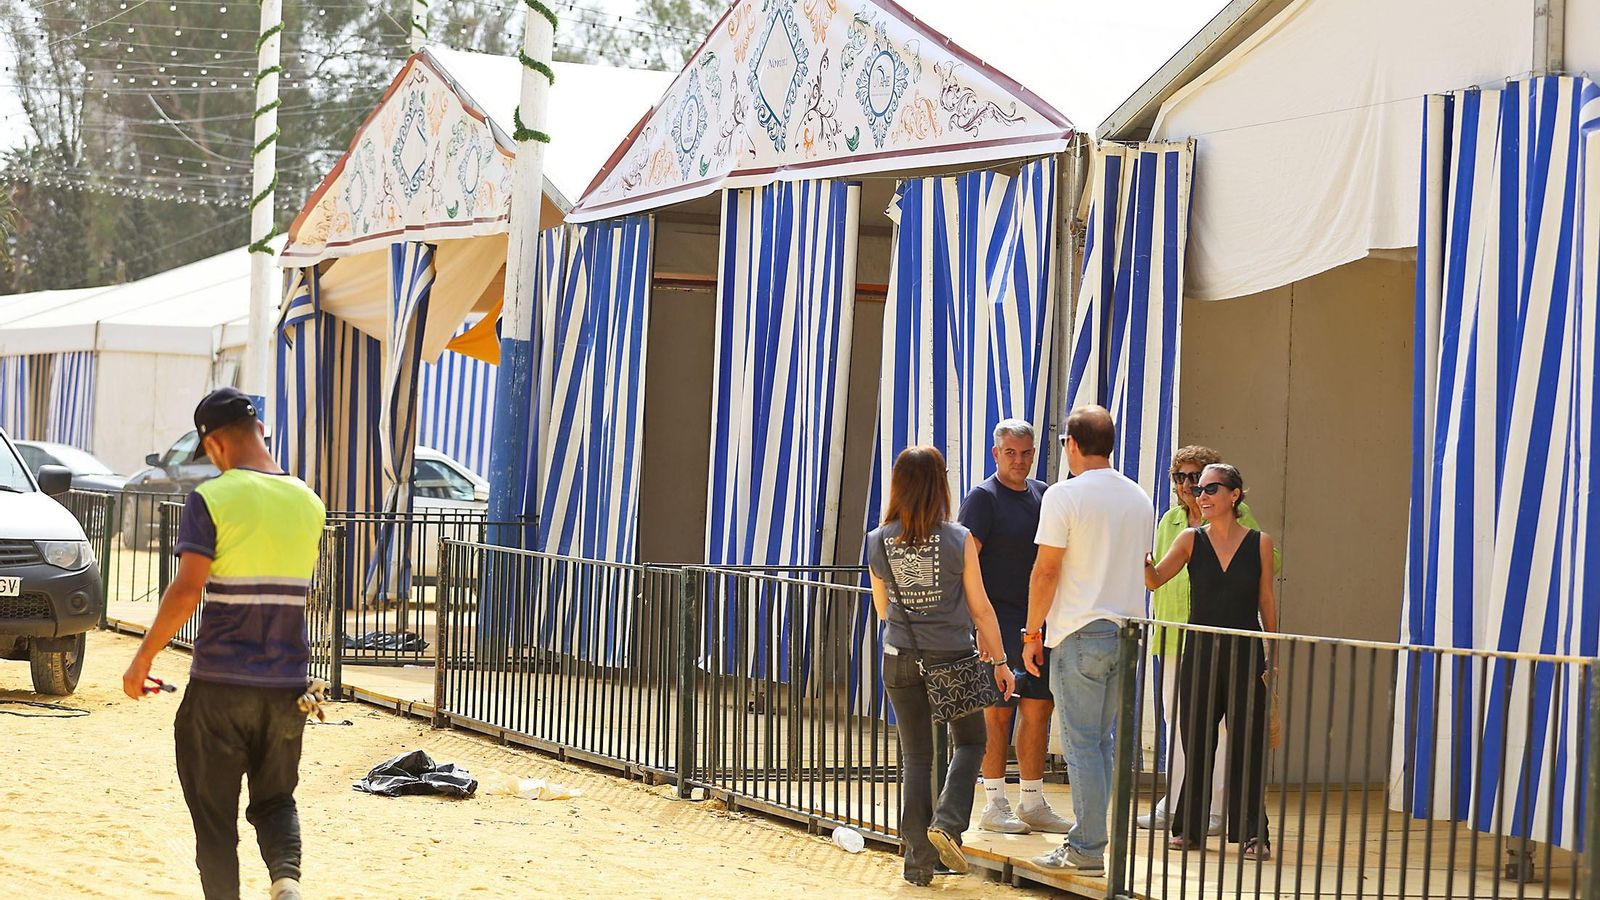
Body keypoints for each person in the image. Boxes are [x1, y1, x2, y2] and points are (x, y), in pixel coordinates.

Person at [123, 387, 328, 900]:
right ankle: (286, 879)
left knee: (214, 819)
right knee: (276, 799)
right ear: (261, 430)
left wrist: (143, 657)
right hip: (288, 686)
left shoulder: (212, 498)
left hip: (221, 685)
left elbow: (188, 589)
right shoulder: (309, 502)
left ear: (213, 444)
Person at [866, 445, 1016, 887]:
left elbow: (882, 609)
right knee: (971, 742)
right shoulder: (959, 538)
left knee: (916, 757)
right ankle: (948, 823)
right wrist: (1000, 661)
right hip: (952, 657)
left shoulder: (878, 540)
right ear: (940, 485)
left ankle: (918, 863)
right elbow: (981, 607)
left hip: (899, 657)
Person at [1022, 406, 1154, 875]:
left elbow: (1046, 570)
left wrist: (1031, 631)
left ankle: (1087, 847)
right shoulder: (1139, 496)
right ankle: (1093, 844)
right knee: (1101, 743)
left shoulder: (1064, 494)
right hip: (1127, 631)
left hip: (1080, 630)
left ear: (1072, 444)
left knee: (1081, 746)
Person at [1141, 446, 1277, 835]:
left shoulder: (1260, 542)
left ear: (1234, 495)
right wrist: (1141, 560)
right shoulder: (1189, 538)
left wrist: (1274, 654)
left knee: (1247, 743)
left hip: (1245, 651)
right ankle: (1189, 826)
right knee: (1196, 739)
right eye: (1198, 489)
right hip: (1199, 651)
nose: (1200, 495)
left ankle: (1252, 831)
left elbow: (1266, 599)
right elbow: (1155, 581)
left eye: (1210, 488)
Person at [956, 419, 1071, 835]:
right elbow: (965, 565)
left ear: (1035, 453)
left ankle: (1032, 802)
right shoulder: (982, 498)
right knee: (997, 713)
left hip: (1037, 623)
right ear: (996, 454)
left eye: (1025, 453)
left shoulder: (1044, 494)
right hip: (996, 622)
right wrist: (977, 626)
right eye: (1010, 453)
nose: (1018, 460)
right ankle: (993, 804)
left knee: (1038, 709)